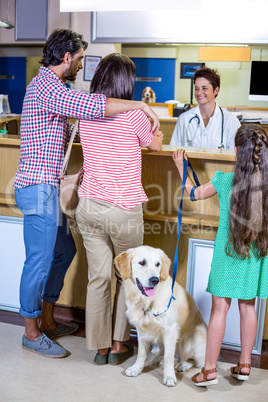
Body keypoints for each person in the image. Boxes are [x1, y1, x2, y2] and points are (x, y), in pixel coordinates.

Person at [14, 29, 160, 359]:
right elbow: (93, 105)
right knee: (39, 264)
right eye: (79, 59)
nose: (81, 65)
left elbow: (82, 118)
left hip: (68, 196)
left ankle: (55, 323)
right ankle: (31, 331)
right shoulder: (48, 88)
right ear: (67, 57)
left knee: (67, 256)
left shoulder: (62, 95)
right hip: (40, 189)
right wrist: (141, 105)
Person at [75, 53, 163, 365]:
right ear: (127, 82)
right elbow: (155, 146)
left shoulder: (86, 113)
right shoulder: (135, 115)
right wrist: (159, 132)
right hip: (123, 209)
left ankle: (98, 348)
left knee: (98, 278)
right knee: (130, 278)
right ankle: (117, 345)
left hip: (89, 207)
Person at [172, 124, 268, 386]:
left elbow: (193, 193)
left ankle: (209, 370)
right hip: (256, 254)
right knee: (248, 307)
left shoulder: (225, 181)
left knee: (219, 310)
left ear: (236, 151)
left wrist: (181, 167)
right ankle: (245, 365)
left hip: (228, 255)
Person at [170, 67, 241, 149]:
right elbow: (174, 150)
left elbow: (236, 157)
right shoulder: (184, 119)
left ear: (216, 90)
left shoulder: (231, 122)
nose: (199, 92)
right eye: (196, 88)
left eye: (204, 88)